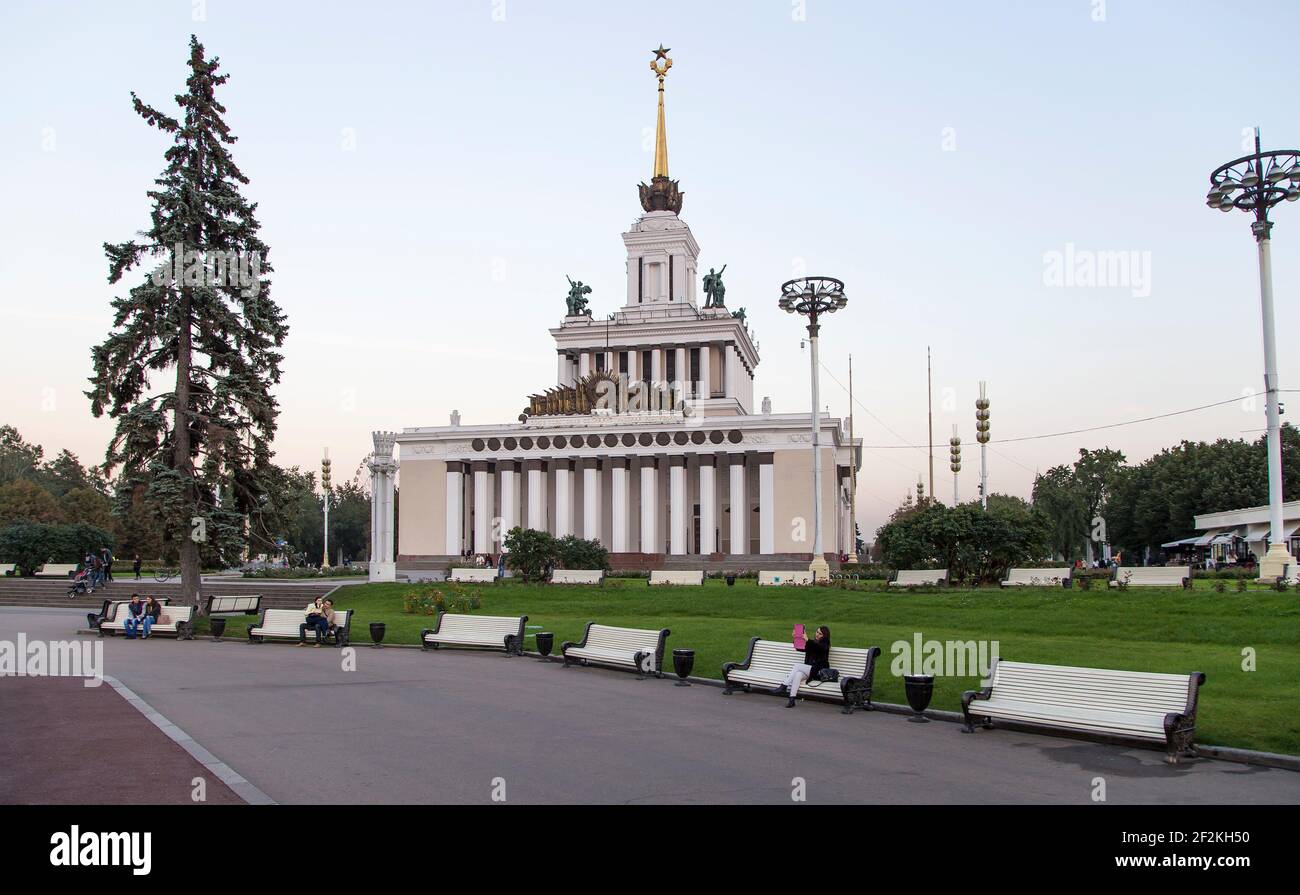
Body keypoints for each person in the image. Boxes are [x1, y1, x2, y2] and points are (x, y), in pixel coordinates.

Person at [775, 625, 832, 708]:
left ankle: (784, 685)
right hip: (809, 670)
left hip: (818, 671)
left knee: (797, 666)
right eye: (817, 632)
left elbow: (819, 648)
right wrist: (796, 638)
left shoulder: (825, 643)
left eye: (820, 634)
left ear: (825, 636)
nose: (817, 634)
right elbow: (799, 648)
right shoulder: (812, 643)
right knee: (798, 674)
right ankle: (792, 699)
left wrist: (807, 640)